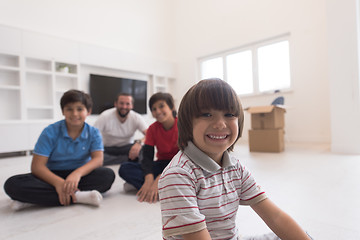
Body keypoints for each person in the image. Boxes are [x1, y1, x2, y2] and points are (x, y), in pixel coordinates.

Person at [158, 79, 312, 240]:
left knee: (301, 235)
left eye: (229, 114)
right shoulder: (178, 175)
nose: (220, 124)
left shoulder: (235, 167)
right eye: (207, 114)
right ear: (188, 123)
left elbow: (276, 217)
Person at [4, 90, 115, 210]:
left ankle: (33, 199)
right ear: (63, 111)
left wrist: (76, 174)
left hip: (79, 175)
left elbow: (98, 159)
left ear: (88, 111)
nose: (74, 114)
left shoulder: (94, 133)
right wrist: (59, 183)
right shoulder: (50, 132)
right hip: (52, 175)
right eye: (69, 109)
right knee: (12, 184)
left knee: (107, 176)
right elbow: (37, 166)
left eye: (79, 109)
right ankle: (78, 196)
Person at [119, 92, 178, 203]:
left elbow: (184, 158)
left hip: (178, 165)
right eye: (154, 109)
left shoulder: (182, 126)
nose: (158, 111)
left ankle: (147, 186)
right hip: (161, 163)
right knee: (125, 168)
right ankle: (160, 188)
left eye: (161, 106)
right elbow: (147, 157)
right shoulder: (152, 129)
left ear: (172, 107)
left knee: (184, 177)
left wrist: (159, 178)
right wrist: (149, 178)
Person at [94, 93, 148, 165]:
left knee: (144, 150)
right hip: (107, 148)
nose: (124, 106)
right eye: (121, 103)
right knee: (94, 156)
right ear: (115, 104)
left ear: (132, 106)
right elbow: (93, 135)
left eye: (127, 104)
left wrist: (139, 143)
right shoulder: (105, 116)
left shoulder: (136, 117)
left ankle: (122, 159)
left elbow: (150, 134)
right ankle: (127, 159)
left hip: (127, 147)